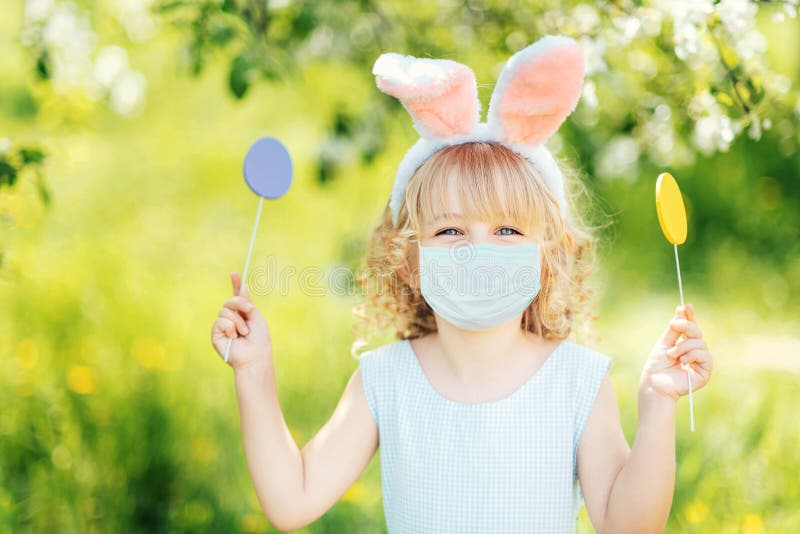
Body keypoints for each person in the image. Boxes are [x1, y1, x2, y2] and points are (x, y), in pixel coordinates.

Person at [211, 35, 713, 533]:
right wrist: (254, 373)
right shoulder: (386, 380)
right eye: (450, 230)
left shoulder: (576, 381)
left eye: (507, 231)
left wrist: (656, 406)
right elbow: (292, 501)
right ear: (408, 261)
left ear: (547, 259)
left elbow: (629, 527)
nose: (478, 252)